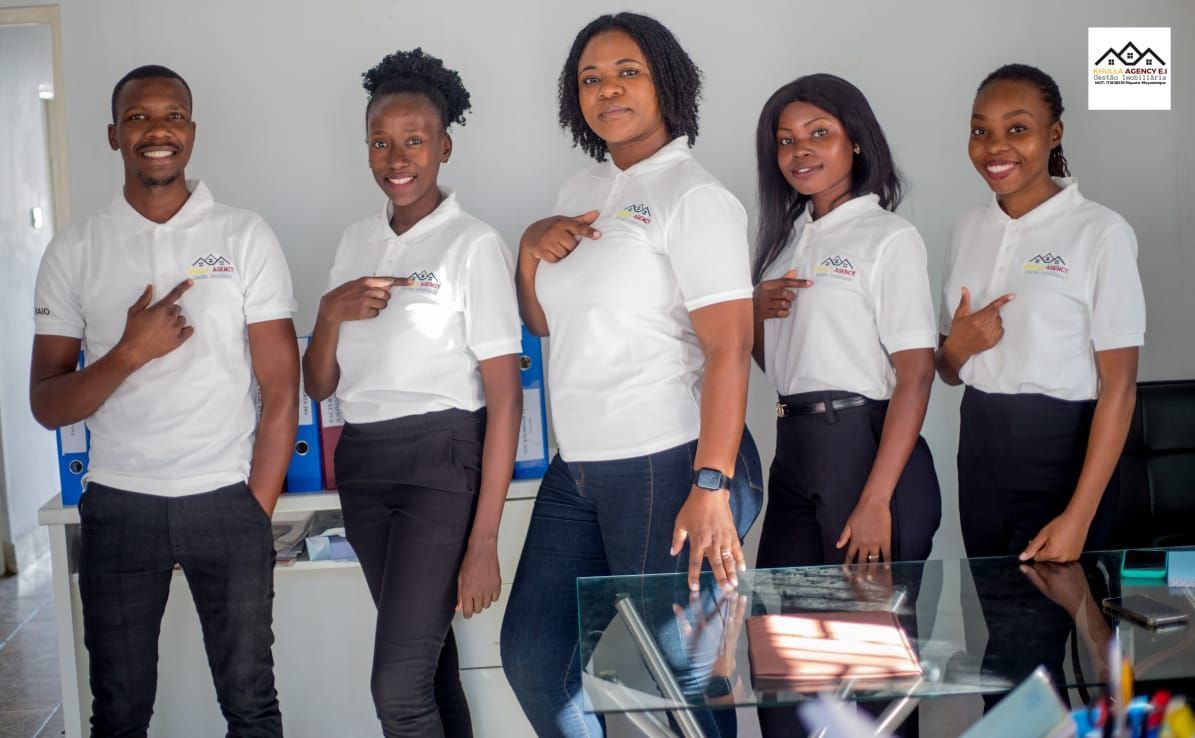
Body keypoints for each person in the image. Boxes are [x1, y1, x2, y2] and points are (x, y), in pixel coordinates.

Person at [499, 13, 763, 738]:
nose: (607, 89)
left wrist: (710, 484)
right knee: (534, 661)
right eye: (590, 78)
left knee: (677, 684)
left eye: (627, 72)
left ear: (665, 83)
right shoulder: (581, 186)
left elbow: (730, 348)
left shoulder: (693, 196)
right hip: (579, 465)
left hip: (664, 461)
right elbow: (544, 322)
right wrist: (527, 252)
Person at [30, 64, 298, 737]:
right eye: (139, 117)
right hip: (120, 504)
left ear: (192, 131)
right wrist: (129, 351)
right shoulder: (75, 249)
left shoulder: (244, 235)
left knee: (251, 705)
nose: (157, 130)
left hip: (225, 498)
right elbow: (49, 405)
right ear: (113, 134)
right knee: (119, 713)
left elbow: (281, 386)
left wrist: (255, 509)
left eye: (172, 115)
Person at [301, 48, 522, 738]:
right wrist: (328, 314)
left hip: (440, 464)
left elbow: (506, 400)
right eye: (380, 142)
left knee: (396, 690)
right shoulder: (354, 240)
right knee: (428, 674)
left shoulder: (472, 245)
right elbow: (318, 383)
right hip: (363, 464)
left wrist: (483, 541)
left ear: (444, 147)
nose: (396, 159)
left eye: (414, 141)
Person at [749, 72, 941, 738]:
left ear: (855, 141)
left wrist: (875, 500)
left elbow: (916, 373)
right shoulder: (783, 241)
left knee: (870, 684)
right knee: (785, 670)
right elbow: (781, 364)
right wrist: (752, 313)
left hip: (865, 455)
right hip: (794, 453)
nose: (799, 150)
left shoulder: (887, 237)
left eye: (818, 133)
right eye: (785, 140)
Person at [936, 63, 1145, 562]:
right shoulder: (967, 229)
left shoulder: (1101, 232)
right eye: (980, 131)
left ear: (1054, 134)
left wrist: (1079, 516)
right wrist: (957, 348)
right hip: (979, 448)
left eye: (1017, 129)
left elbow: (1119, 389)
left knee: (1052, 602)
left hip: (1062, 452)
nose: (995, 146)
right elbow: (947, 370)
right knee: (989, 602)